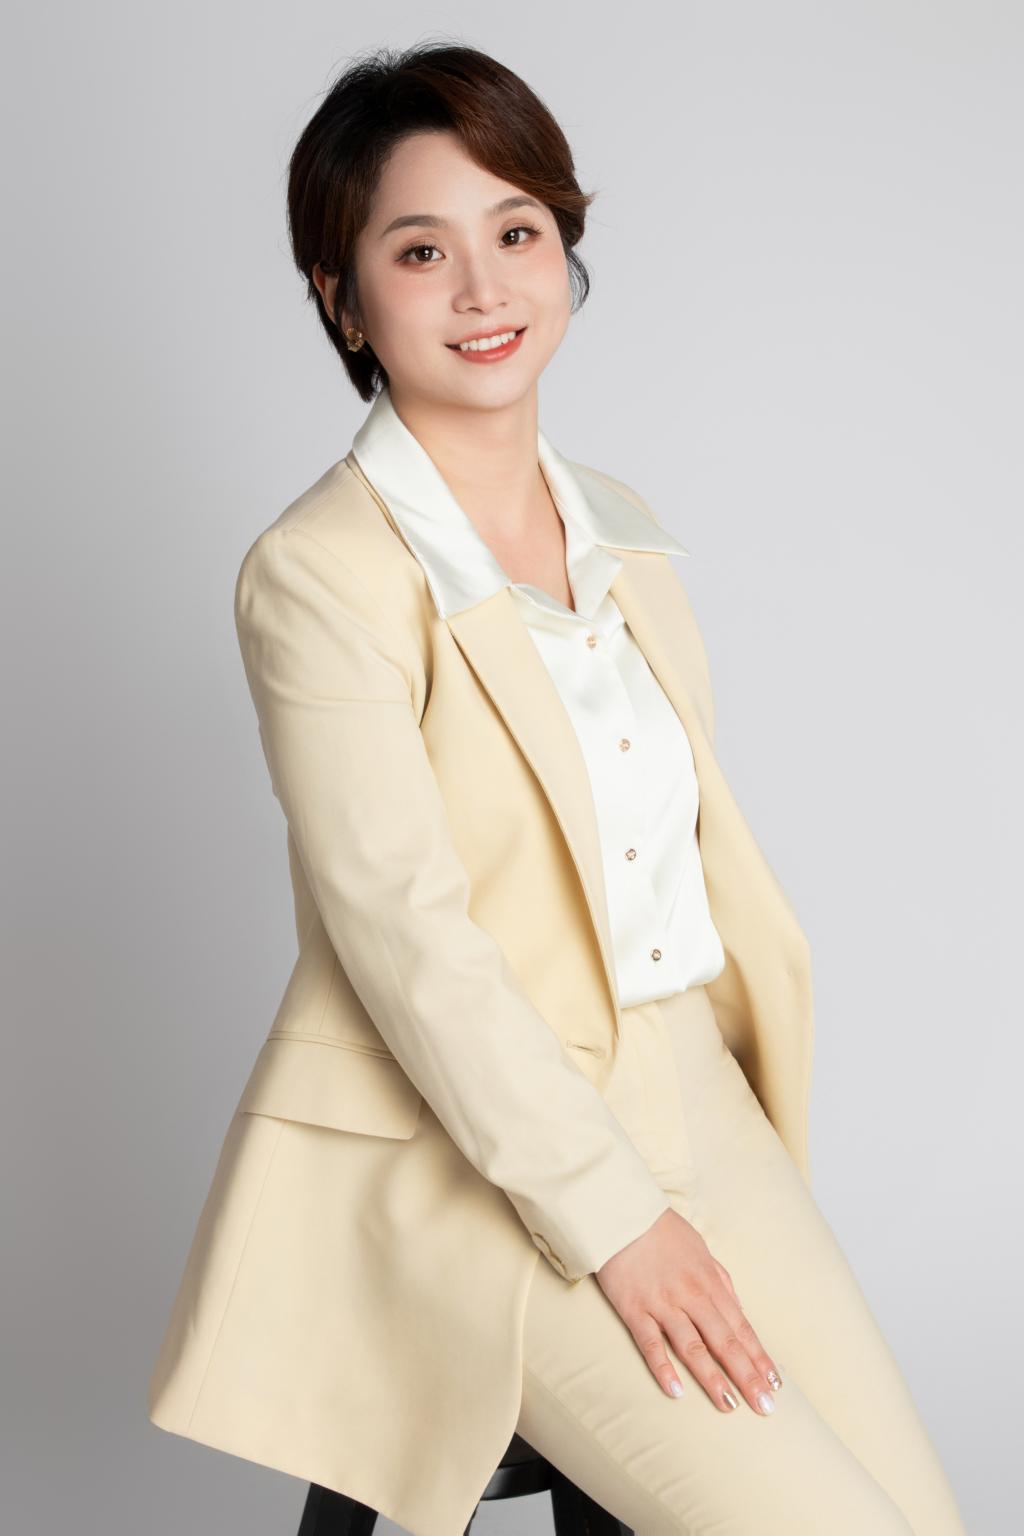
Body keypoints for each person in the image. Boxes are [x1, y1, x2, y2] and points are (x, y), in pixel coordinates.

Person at [146, 41, 969, 1536]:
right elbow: (410, 946)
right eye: (420, 250)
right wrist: (616, 1221)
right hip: (486, 1157)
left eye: (517, 232)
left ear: (565, 252)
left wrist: (689, 1154)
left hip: (695, 1093)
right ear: (342, 297)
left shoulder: (625, 536)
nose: (483, 288)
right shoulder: (321, 573)